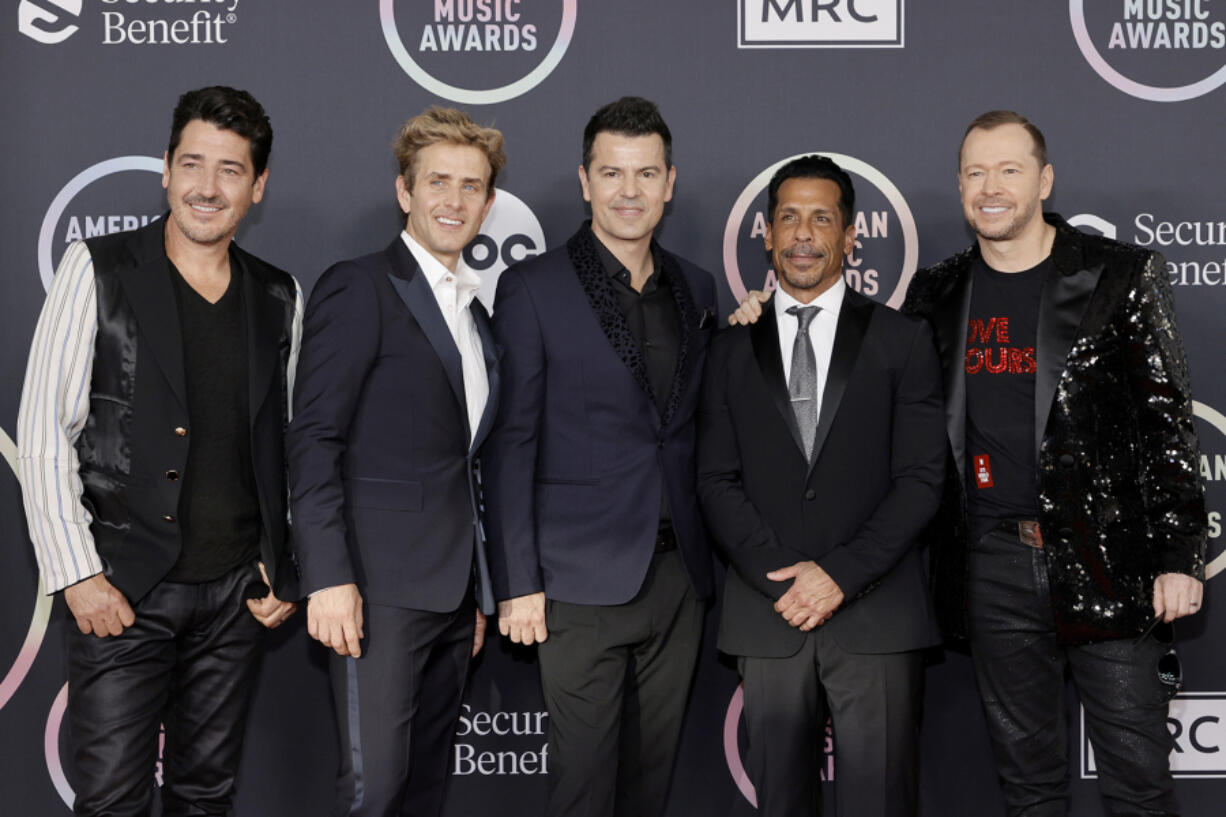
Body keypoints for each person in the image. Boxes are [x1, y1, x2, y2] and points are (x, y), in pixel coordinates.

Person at [901, 111, 1206, 816]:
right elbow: (872, 374)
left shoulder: (1119, 275)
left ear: (1044, 179)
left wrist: (1179, 553)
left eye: (1009, 169)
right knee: (1029, 785)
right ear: (959, 186)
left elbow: (1167, 420)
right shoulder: (936, 293)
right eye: (975, 172)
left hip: (1112, 559)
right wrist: (761, 316)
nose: (991, 187)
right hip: (992, 566)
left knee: (1139, 780)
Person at [17, 85, 300, 816]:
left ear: (258, 185)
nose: (208, 187)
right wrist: (78, 575)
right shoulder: (99, 267)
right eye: (193, 164)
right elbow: (46, 430)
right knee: (112, 799)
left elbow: (285, 442)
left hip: (234, 598)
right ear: (166, 171)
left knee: (205, 795)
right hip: (122, 592)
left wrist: (282, 555)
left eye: (231, 170)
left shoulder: (278, 295)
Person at [483, 96, 716, 817]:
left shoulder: (697, 287)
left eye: (646, 173)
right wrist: (516, 580)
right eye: (612, 172)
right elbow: (509, 442)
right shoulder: (532, 287)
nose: (629, 190)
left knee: (651, 786)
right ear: (584, 181)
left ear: (670, 182)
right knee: (584, 789)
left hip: (678, 577)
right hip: (576, 583)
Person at [701, 155, 945, 817]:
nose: (803, 233)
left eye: (821, 217)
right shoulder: (726, 350)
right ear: (767, 232)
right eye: (788, 217)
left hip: (877, 616)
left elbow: (923, 479)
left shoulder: (904, 339)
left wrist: (838, 574)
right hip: (770, 614)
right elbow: (715, 478)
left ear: (850, 233)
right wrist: (786, 580)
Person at [287, 106, 503, 817]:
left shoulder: (475, 317)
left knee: (422, 789)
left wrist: (476, 590)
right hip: (371, 594)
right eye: (437, 181)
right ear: (405, 192)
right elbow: (314, 436)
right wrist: (327, 578)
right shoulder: (359, 287)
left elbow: (467, 461)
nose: (454, 199)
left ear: (489, 203)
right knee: (371, 789)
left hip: (451, 600)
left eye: (471, 186)